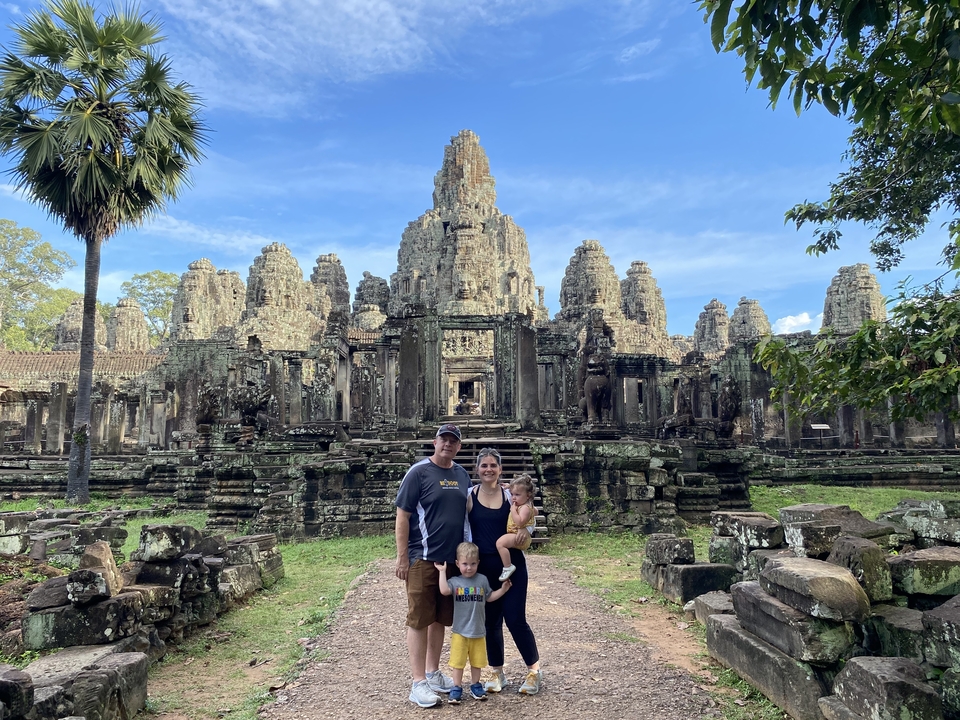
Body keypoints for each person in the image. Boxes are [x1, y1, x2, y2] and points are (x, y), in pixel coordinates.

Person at [395, 423, 472, 708]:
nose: (448, 444)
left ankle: (432, 671)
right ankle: (417, 683)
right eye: (444, 439)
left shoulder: (462, 474)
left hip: (451, 561)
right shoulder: (418, 472)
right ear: (435, 442)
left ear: (458, 446)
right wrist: (402, 557)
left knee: (441, 618)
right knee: (419, 619)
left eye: (453, 441)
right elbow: (402, 516)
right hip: (423, 558)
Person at [467, 447, 543, 696]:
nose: (488, 469)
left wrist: (527, 532)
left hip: (512, 564)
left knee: (515, 618)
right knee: (490, 622)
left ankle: (533, 670)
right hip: (483, 567)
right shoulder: (470, 496)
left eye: (493, 465)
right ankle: (497, 671)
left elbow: (529, 515)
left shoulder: (512, 494)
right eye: (484, 465)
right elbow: (462, 528)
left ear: (500, 469)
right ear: (477, 470)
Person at [435, 542, 512, 704]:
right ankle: (456, 687)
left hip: (478, 631)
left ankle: (475, 685)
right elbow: (444, 591)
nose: (468, 568)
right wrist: (442, 572)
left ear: (478, 563)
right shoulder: (455, 582)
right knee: (458, 662)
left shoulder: (482, 580)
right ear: (457, 564)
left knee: (477, 662)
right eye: (464, 564)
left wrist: (503, 590)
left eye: (472, 564)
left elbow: (490, 597)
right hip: (459, 632)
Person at [496, 474, 536, 581]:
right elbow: (535, 512)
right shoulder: (526, 504)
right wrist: (510, 486)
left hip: (518, 536)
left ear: (528, 495)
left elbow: (519, 522)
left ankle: (508, 566)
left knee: (500, 543)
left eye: (517, 495)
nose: (513, 497)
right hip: (515, 534)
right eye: (512, 494)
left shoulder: (524, 508)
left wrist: (513, 510)